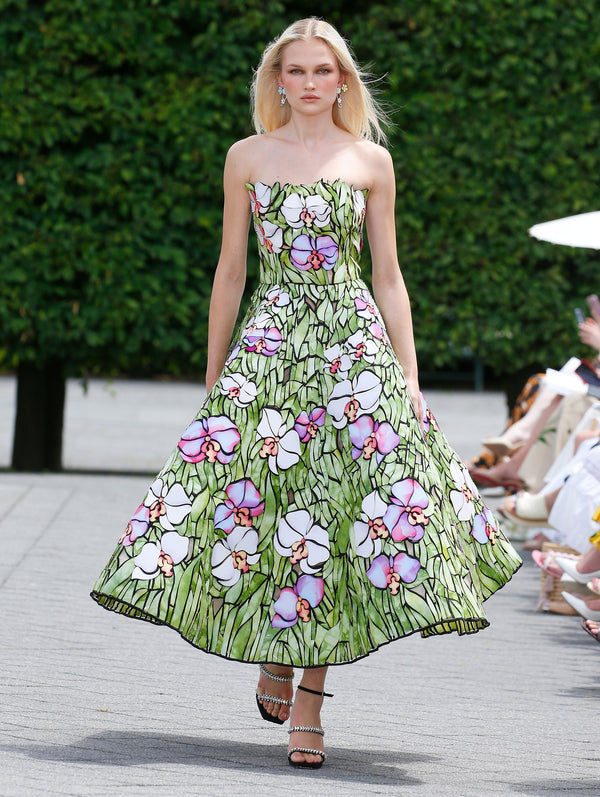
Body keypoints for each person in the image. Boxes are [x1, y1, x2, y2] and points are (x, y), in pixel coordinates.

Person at [91, 17, 521, 769]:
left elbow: (388, 275)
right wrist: (214, 371)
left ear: (343, 80)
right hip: (272, 347)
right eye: (298, 71)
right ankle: (275, 657)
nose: (312, 83)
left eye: (325, 71)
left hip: (354, 353)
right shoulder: (247, 157)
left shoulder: (371, 161)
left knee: (344, 509)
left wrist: (411, 376)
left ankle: (311, 702)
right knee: (262, 502)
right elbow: (231, 269)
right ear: (277, 80)